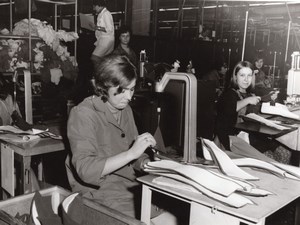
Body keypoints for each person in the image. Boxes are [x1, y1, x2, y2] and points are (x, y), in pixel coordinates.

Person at [65, 55, 159, 219]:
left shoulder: (125, 109)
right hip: (97, 192)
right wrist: (132, 154)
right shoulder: (83, 114)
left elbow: (132, 150)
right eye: (122, 90)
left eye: (132, 89)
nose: (129, 97)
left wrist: (146, 163)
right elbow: (85, 170)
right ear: (103, 86)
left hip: (127, 186)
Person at [215, 61, 261, 151]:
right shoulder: (229, 93)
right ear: (235, 77)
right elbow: (230, 108)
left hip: (248, 136)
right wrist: (247, 101)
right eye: (242, 75)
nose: (246, 79)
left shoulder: (250, 93)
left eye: (249, 75)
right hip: (231, 140)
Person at [90, 0, 115, 70]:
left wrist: (96, 27)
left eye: (94, 7)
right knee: (104, 59)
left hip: (106, 40)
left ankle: (100, 73)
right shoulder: (101, 14)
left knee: (94, 58)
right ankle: (103, 74)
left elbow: (109, 29)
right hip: (103, 40)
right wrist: (95, 28)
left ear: (99, 5)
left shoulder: (106, 14)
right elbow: (101, 28)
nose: (93, 9)